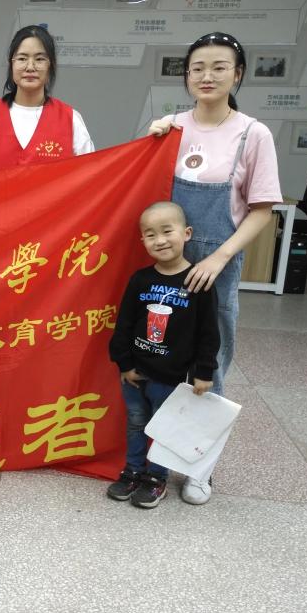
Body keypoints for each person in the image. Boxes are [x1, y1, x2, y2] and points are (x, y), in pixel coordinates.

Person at [148, 32, 282, 505]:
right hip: (164, 264)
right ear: (186, 75)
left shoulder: (252, 134)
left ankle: (200, 468)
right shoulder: (170, 128)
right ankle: (153, 463)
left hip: (216, 264)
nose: (207, 76)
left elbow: (262, 210)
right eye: (198, 67)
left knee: (210, 362)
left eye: (219, 67)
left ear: (237, 74)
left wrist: (220, 256)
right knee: (158, 356)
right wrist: (150, 140)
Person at [107, 201, 220, 508]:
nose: (159, 240)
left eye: (167, 231)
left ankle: (156, 478)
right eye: (150, 234)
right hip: (135, 374)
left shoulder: (199, 282)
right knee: (136, 422)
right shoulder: (140, 279)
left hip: (171, 377)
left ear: (187, 233)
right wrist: (124, 364)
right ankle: (133, 470)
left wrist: (204, 372)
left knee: (163, 428)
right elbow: (124, 324)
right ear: (142, 240)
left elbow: (208, 333)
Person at [0, 24, 94, 171]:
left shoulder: (70, 120)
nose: (30, 67)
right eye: (22, 58)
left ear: (50, 66)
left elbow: (89, 176)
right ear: (11, 64)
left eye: (39, 59)